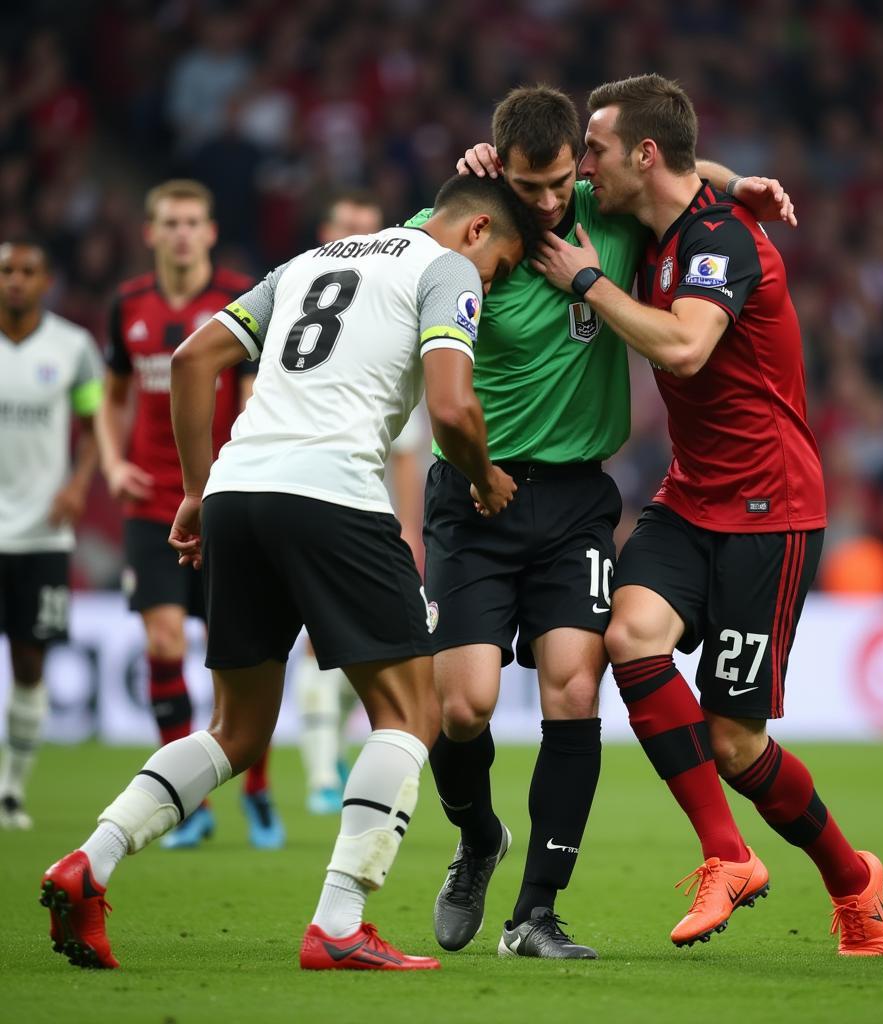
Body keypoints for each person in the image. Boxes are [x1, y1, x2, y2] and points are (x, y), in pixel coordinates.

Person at [40, 171, 532, 972]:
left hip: (239, 492)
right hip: (333, 494)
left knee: (234, 730)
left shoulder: (307, 261)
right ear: (477, 231)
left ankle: (91, 859)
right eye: (501, 268)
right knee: (413, 715)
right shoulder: (444, 269)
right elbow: (452, 410)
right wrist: (483, 476)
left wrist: (200, 490)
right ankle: (340, 921)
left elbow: (194, 358)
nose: (492, 284)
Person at [412, 85, 796, 960]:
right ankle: (477, 839)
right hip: (475, 493)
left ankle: (535, 915)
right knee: (464, 706)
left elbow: (675, 176)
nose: (551, 201)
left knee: (575, 691)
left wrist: (739, 186)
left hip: (576, 499)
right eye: (532, 186)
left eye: (561, 182)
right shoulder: (455, 229)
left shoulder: (603, 214)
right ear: (494, 167)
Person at [532, 73, 883, 957]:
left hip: (771, 508)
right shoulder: (662, 217)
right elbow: (683, 170)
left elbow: (687, 346)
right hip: (693, 495)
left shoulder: (721, 242)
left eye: (597, 152)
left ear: (642, 155)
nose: (585, 169)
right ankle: (724, 853)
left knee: (737, 745)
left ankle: (852, 879)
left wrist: (588, 283)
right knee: (629, 635)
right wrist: (733, 176)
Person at [97, 179, 283, 849]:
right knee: (164, 644)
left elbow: (254, 396)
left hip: (223, 500)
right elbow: (111, 395)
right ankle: (190, 806)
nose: (181, 233)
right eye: (169, 222)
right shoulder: (128, 305)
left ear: (208, 232)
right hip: (152, 505)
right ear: (150, 233)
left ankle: (257, 790)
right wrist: (114, 463)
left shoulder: (239, 300)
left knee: (235, 657)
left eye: (192, 222)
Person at [296, 191, 429, 816]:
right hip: (316, 498)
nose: (356, 240)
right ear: (325, 231)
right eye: (345, 227)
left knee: (369, 644)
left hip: (366, 510)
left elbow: (406, 451)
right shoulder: (303, 301)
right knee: (318, 643)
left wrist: (408, 529)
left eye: (366, 230)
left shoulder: (388, 323)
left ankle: (329, 764)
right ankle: (322, 775)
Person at [0, 239, 101, 829]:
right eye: (6, 271)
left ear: (45, 281)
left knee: (30, 661)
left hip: (42, 533)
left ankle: (12, 789)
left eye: (26, 272)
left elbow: (93, 428)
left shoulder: (73, 348)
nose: (15, 280)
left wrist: (77, 485)